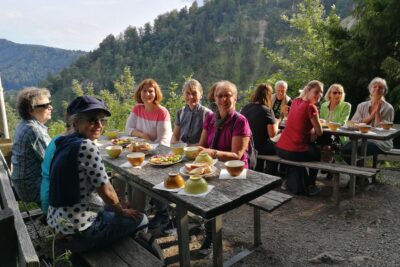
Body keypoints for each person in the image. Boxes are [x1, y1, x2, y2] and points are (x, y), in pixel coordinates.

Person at [47, 96, 147, 253]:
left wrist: (116, 204)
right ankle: (128, 254)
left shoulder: (63, 142)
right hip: (82, 232)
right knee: (141, 219)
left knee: (115, 209)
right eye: (92, 120)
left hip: (59, 224)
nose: (99, 125)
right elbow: (106, 192)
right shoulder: (86, 146)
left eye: (102, 120)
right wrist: (121, 210)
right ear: (76, 122)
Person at [198, 80, 251, 254]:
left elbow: (237, 155)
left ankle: (210, 237)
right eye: (220, 96)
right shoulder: (210, 118)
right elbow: (202, 145)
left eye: (227, 95)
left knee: (208, 193)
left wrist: (211, 153)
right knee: (192, 181)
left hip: (234, 170)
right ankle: (201, 225)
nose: (223, 99)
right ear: (214, 98)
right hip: (214, 166)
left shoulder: (240, 121)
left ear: (235, 98)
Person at [275, 80, 324, 196]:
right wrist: (314, 129)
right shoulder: (311, 107)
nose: (319, 95)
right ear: (308, 91)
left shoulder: (296, 101)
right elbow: (320, 132)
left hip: (280, 149)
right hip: (294, 151)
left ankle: (288, 181)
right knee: (317, 153)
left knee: (303, 151)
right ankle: (311, 185)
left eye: (321, 92)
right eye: (316, 92)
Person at [11, 87, 52, 203]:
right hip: (32, 187)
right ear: (31, 110)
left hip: (25, 184)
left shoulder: (25, 124)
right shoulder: (34, 130)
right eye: (45, 106)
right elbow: (53, 161)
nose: (51, 108)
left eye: (50, 104)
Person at [341, 77, 394, 165]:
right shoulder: (362, 106)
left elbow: (383, 130)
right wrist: (371, 116)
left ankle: (360, 177)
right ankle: (361, 177)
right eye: (375, 86)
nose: (377, 89)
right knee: (343, 149)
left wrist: (377, 113)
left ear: (384, 91)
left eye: (381, 87)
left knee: (353, 150)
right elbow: (354, 124)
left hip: (380, 142)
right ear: (370, 89)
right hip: (362, 139)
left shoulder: (388, 108)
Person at [241, 83, 280, 172]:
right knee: (280, 147)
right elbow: (272, 134)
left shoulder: (246, 107)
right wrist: (277, 122)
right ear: (269, 95)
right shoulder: (267, 110)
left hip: (247, 145)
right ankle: (272, 173)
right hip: (260, 147)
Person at [125, 78, 172, 145]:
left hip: (157, 152)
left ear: (156, 94)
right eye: (144, 91)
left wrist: (150, 148)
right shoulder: (137, 108)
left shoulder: (162, 112)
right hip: (139, 148)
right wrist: (142, 135)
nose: (147, 94)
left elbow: (164, 141)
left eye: (150, 91)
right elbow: (128, 129)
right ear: (140, 92)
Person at [171, 79, 212, 145]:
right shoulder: (180, 113)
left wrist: (187, 147)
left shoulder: (207, 114)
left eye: (194, 93)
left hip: (199, 152)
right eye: (187, 93)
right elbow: (175, 136)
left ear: (201, 95)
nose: (191, 97)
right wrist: (175, 143)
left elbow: (206, 142)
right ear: (183, 95)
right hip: (182, 150)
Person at [318, 84, 351, 166]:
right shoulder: (324, 105)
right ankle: (324, 166)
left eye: (340, 93)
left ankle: (327, 167)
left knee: (326, 148)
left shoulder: (346, 105)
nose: (338, 95)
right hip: (324, 134)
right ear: (329, 94)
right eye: (335, 93)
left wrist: (326, 123)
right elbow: (320, 122)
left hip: (337, 135)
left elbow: (342, 123)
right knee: (316, 146)